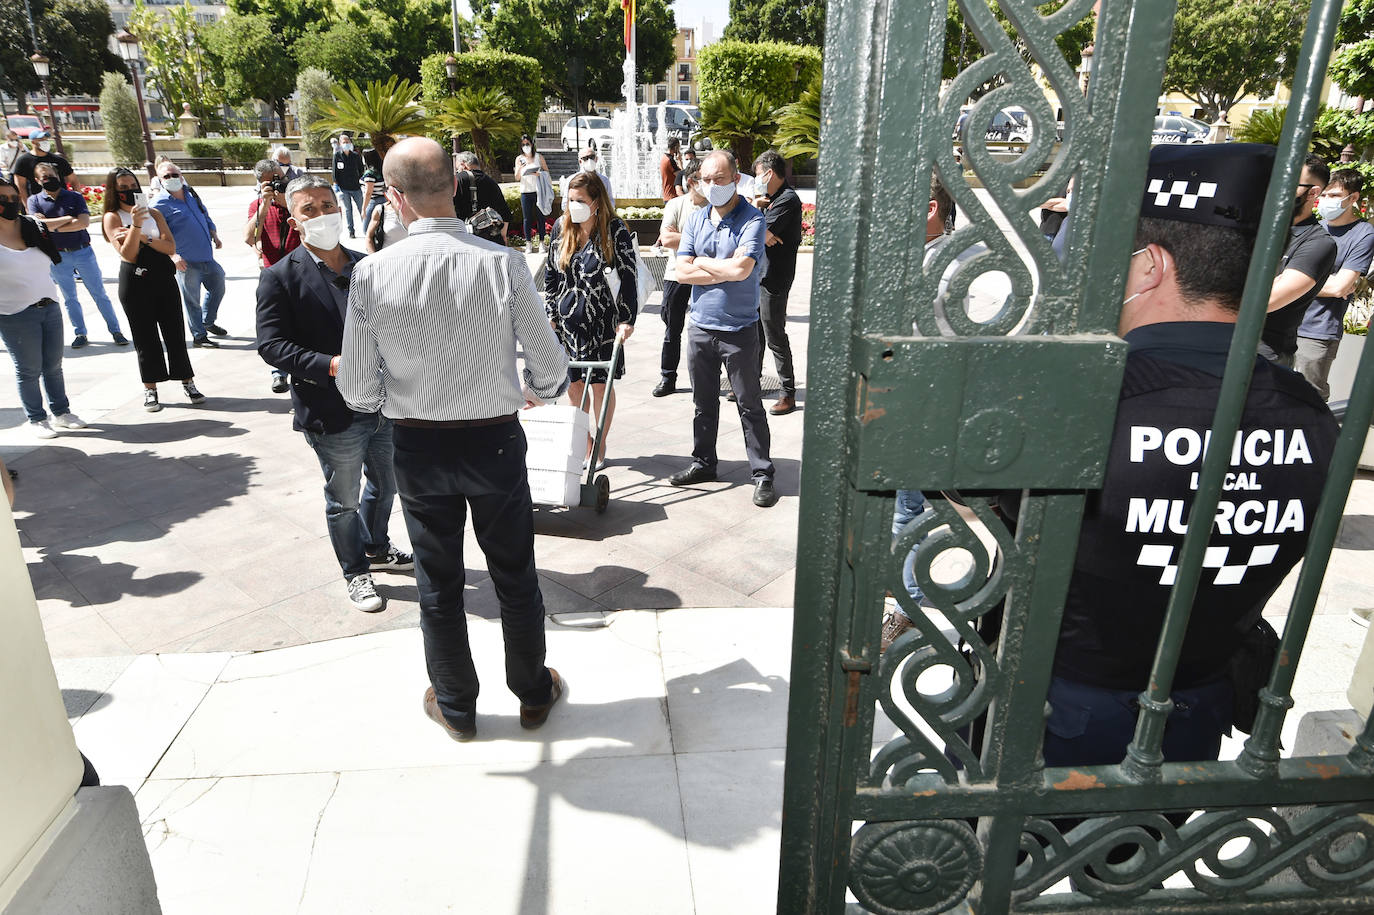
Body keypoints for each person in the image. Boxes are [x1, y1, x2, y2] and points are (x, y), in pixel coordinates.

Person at [1036, 144, 1338, 770]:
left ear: (1149, 266)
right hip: (1195, 723)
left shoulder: (1083, 404)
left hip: (1056, 718)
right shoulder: (1309, 413)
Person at [337, 137, 571, 742]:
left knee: (437, 582)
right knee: (514, 572)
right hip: (492, 439)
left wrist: (407, 390)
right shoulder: (501, 261)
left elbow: (359, 390)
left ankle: (456, 705)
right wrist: (524, 385)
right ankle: (532, 690)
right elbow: (549, 370)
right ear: (457, 186)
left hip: (418, 445)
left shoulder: (371, 272)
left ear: (393, 198)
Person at [257, 175, 412, 614]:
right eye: (310, 208)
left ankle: (378, 546)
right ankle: (356, 572)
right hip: (332, 410)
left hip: (383, 404)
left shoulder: (368, 266)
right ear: (294, 219)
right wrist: (330, 364)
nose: (323, 213)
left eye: (327, 204)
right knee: (343, 499)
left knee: (385, 485)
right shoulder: (279, 277)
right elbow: (271, 345)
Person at [669, 149, 779, 508]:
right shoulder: (698, 219)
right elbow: (682, 271)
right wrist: (717, 266)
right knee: (703, 403)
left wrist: (701, 263)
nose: (713, 185)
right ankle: (704, 463)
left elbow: (742, 270)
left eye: (720, 178)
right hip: (700, 326)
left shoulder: (753, 220)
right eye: (707, 179)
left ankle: (762, 473)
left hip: (739, 330)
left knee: (749, 405)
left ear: (736, 178)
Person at [543, 170, 638, 467]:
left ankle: (600, 444)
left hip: (603, 323)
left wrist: (627, 318)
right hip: (568, 322)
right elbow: (550, 275)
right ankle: (585, 443)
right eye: (570, 200)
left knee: (600, 386)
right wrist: (551, 314)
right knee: (573, 386)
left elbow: (628, 276)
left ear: (597, 201)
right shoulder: (562, 227)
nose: (574, 206)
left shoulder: (614, 229)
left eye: (580, 200)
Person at [100, 167, 204, 412]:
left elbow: (170, 247)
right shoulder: (112, 217)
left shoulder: (154, 213)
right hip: (135, 283)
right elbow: (129, 254)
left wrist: (143, 237)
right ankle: (151, 389)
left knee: (174, 332)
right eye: (122, 188)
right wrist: (135, 227)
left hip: (163, 278)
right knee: (145, 338)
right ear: (114, 191)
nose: (129, 191)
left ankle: (187, 381)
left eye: (132, 185)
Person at [0, 178, 86, 438]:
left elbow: (55, 237)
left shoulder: (31, 226)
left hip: (49, 304)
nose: (10, 203)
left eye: (14, 198)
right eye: (3, 199)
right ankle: (36, 418)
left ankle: (61, 412)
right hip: (14, 313)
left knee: (53, 365)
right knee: (28, 368)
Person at [26, 161, 128, 349]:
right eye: (45, 177)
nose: (50, 180)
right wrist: (66, 219)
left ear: (59, 176)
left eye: (53, 176)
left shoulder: (74, 197)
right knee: (69, 298)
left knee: (99, 294)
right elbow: (39, 227)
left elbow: (83, 223)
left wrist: (51, 225)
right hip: (57, 256)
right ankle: (80, 332)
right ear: (37, 180)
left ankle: (116, 330)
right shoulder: (34, 201)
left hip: (82, 251)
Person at [1296, 168, 1374, 400]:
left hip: (1318, 331)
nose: (1326, 201)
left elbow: (1341, 287)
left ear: (1353, 198)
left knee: (1309, 399)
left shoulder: (1364, 234)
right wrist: (1327, 285)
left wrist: (1293, 283)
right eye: (1325, 195)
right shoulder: (1314, 228)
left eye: (1334, 195)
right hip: (1287, 323)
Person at [1261, 154, 1337, 367]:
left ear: (1313, 192)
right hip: (1218, 343)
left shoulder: (1318, 243)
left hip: (1265, 357)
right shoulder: (1255, 229)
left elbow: (1265, 301)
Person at [748, 149, 803, 415]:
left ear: (770, 173)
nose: (756, 179)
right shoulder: (768, 199)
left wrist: (762, 230)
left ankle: (787, 393)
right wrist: (762, 229)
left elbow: (757, 231)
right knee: (755, 333)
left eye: (758, 174)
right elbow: (756, 232)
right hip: (760, 275)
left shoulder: (788, 199)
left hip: (775, 278)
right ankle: (752, 382)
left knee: (774, 335)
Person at [151, 160, 226, 348]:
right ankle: (199, 336)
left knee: (218, 286)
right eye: (166, 176)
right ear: (160, 180)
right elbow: (155, 236)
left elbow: (204, 215)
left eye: (174, 175)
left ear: (181, 176)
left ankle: (208, 321)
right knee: (192, 300)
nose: (171, 178)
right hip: (185, 261)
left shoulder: (191, 195)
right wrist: (172, 256)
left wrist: (214, 234)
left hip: (206, 256)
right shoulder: (157, 204)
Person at [245, 159, 301, 394]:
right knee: (276, 324)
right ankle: (279, 373)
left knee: (300, 323)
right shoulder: (257, 205)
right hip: (272, 273)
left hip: (299, 271)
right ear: (260, 183)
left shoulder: (297, 202)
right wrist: (266, 204)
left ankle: (298, 370)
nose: (279, 182)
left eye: (281, 176)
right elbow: (249, 237)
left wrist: (287, 204)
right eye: (272, 180)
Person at [652, 160, 705, 397]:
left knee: (707, 330)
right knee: (672, 329)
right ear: (692, 181)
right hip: (676, 274)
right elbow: (666, 239)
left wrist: (682, 238)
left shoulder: (717, 207)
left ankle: (708, 378)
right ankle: (667, 377)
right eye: (705, 180)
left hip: (706, 274)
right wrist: (700, 239)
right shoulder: (675, 204)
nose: (710, 185)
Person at [452, 150, 511, 243]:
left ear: (463, 165)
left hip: (467, 239)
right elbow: (505, 213)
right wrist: (503, 236)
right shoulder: (491, 182)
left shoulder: (458, 180)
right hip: (492, 240)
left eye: (457, 168)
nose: (458, 171)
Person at [11, 130, 79, 200]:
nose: (45, 141)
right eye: (41, 139)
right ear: (33, 142)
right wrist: (26, 205)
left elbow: (74, 181)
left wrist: (78, 200)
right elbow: (20, 186)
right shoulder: (23, 161)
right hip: (36, 203)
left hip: (61, 201)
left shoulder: (58, 160)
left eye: (46, 139)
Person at [514, 134, 552, 252]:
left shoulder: (538, 157)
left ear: (532, 144)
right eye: (523, 144)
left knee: (541, 217)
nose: (526, 146)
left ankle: (541, 242)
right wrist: (520, 167)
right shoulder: (519, 159)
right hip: (525, 192)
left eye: (527, 144)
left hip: (537, 191)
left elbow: (547, 173)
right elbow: (517, 177)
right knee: (527, 218)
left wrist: (539, 174)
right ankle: (528, 243)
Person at [332, 133, 364, 239]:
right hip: (344, 188)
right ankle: (351, 231)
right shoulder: (337, 156)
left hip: (356, 187)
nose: (346, 144)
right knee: (348, 210)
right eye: (344, 142)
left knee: (361, 208)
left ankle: (366, 228)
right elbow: (335, 172)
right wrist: (337, 185)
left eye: (347, 142)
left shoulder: (355, 156)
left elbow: (361, 169)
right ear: (340, 144)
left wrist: (357, 178)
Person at [661, 137, 681, 202]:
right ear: (675, 147)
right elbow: (680, 176)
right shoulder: (670, 160)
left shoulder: (664, 158)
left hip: (666, 195)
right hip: (672, 196)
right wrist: (680, 161)